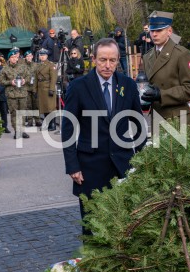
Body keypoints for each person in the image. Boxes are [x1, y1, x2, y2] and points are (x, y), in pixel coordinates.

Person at [62, 37, 146, 235]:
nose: (107, 65)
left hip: (123, 165)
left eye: (112, 60)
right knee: (92, 225)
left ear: (118, 60)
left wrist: (143, 159)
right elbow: (68, 128)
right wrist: (72, 166)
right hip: (90, 166)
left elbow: (138, 124)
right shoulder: (78, 86)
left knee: (124, 223)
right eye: (102, 60)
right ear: (93, 59)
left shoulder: (128, 84)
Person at [142, 11, 190, 131]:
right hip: (157, 119)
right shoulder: (147, 56)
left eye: (159, 30)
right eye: (152, 31)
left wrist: (161, 95)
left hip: (178, 122)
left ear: (169, 31)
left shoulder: (182, 54)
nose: (154, 34)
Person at [0, 48, 30, 139]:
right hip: (11, 94)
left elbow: (29, 76)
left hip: (22, 93)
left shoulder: (23, 67)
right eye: (11, 57)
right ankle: (17, 131)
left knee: (22, 113)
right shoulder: (5, 69)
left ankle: (22, 130)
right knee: (14, 113)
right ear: (9, 58)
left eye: (15, 57)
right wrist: (10, 82)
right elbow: (1, 81)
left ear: (17, 58)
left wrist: (25, 80)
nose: (13, 59)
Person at [35, 49, 57, 131]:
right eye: (40, 55)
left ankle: (53, 125)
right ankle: (47, 124)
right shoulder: (38, 66)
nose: (42, 56)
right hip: (41, 89)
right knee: (44, 108)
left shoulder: (51, 65)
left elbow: (54, 78)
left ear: (47, 56)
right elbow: (36, 79)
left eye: (43, 55)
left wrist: (51, 89)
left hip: (48, 88)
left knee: (50, 108)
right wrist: (35, 90)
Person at [22, 51, 41, 127]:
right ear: (25, 58)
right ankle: (30, 120)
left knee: (36, 104)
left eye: (30, 56)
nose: (29, 57)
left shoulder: (36, 65)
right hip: (26, 87)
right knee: (28, 105)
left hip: (34, 87)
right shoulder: (22, 66)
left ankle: (37, 120)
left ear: (32, 56)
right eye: (27, 56)